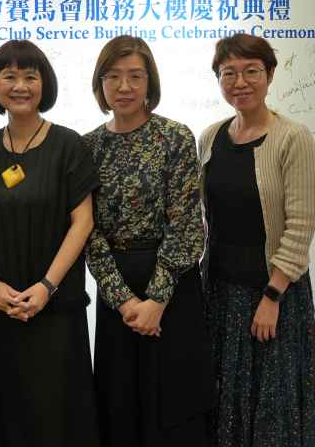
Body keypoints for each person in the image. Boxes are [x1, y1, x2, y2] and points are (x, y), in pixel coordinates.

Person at [0, 39, 100, 447]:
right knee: (7, 414)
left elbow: (83, 222)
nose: (20, 86)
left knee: (57, 416)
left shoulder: (69, 145)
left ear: (44, 84)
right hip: (1, 308)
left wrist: (46, 287)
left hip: (56, 307)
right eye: (9, 76)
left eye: (30, 77)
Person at [84, 35, 212, 447]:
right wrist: (125, 301)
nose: (124, 86)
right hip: (117, 290)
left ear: (149, 82)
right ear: (100, 84)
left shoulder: (175, 136)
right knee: (120, 401)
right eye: (113, 76)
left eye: (135, 76)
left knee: (175, 402)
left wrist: (155, 300)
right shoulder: (88, 147)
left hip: (172, 287)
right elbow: (88, 232)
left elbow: (187, 224)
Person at [199, 33, 315, 447]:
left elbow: (300, 228)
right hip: (221, 294)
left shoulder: (292, 138)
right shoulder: (211, 137)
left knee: (273, 408)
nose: (240, 82)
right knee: (227, 403)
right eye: (228, 73)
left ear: (269, 75)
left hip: (273, 295)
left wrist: (272, 296)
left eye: (251, 71)